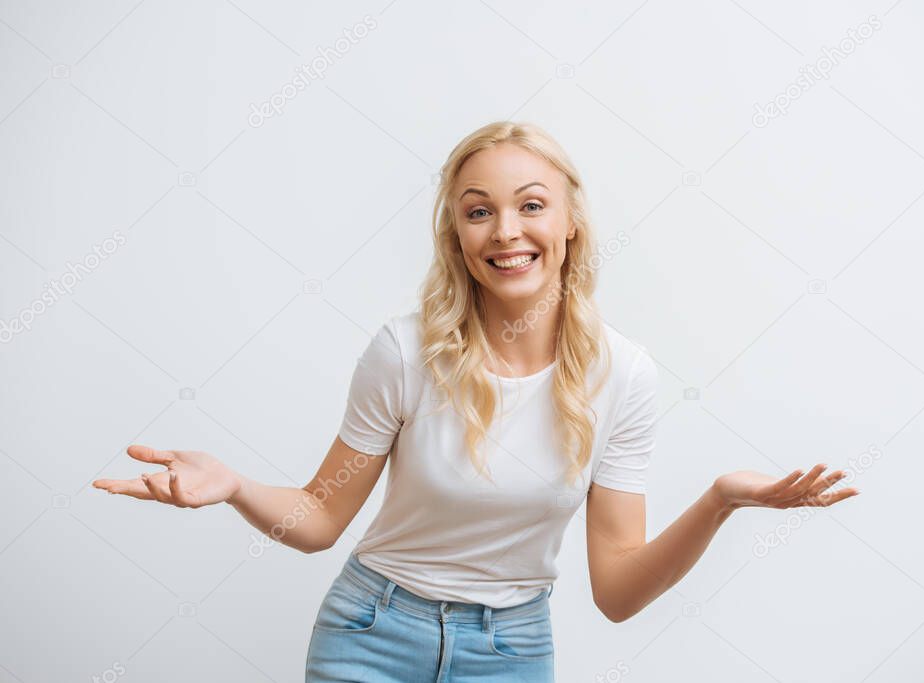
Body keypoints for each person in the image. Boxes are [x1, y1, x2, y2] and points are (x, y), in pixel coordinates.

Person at [93, 121, 859, 682]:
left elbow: (618, 592)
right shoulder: (402, 354)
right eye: (477, 209)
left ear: (569, 223)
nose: (506, 231)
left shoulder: (623, 375)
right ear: (456, 234)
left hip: (512, 651)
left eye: (530, 205)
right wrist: (232, 486)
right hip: (369, 634)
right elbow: (319, 520)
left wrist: (720, 499)